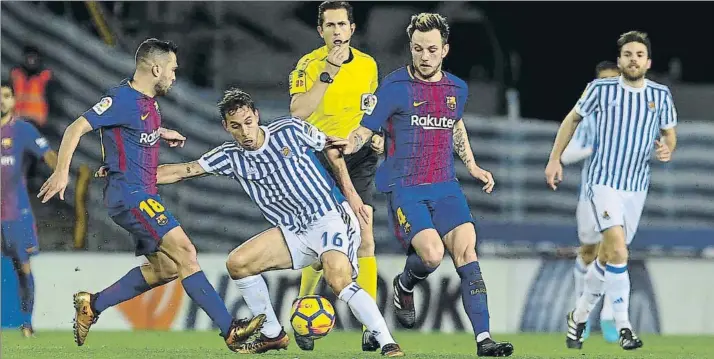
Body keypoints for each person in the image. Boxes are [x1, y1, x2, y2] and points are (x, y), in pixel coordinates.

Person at [36, 38, 265, 351]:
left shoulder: (149, 103)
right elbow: (76, 127)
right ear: (156, 68)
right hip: (130, 196)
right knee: (186, 252)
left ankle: (93, 304)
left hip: (139, 194)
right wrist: (62, 171)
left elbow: (126, 133)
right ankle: (231, 330)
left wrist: (160, 133)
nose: (174, 75)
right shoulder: (121, 98)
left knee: (167, 268)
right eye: (172, 69)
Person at [141, 88, 404, 356]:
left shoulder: (289, 130)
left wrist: (351, 194)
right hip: (294, 231)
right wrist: (131, 176)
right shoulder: (230, 155)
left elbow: (332, 149)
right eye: (235, 127)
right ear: (225, 127)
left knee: (338, 279)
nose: (244, 133)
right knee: (238, 263)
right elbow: (184, 170)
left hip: (329, 218)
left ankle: (386, 341)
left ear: (256, 116)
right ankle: (272, 334)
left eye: (248, 123)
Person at [342, 13, 514, 357]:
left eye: (431, 49)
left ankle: (484, 341)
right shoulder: (393, 87)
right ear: (411, 47)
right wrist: (349, 144)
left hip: (446, 186)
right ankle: (405, 284)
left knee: (467, 252)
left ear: (444, 50)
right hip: (406, 187)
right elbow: (366, 129)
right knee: (433, 256)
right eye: (418, 48)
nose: (424, 56)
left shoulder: (457, 89)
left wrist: (473, 165)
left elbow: (454, 125)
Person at [544, 31, 677, 351]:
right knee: (617, 250)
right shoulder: (600, 89)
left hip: (636, 188)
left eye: (639, 54)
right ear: (620, 61)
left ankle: (577, 317)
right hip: (602, 183)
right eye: (627, 54)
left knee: (608, 257)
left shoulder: (660, 95)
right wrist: (554, 159)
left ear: (648, 62)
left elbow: (669, 135)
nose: (633, 59)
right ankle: (623, 325)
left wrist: (666, 150)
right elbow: (571, 120)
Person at [288, 1, 382, 351]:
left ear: (352, 29)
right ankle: (303, 311)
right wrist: (329, 71)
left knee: (365, 230)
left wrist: (372, 136)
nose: (337, 31)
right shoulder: (308, 65)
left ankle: (371, 327)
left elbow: (370, 111)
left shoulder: (369, 65)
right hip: (317, 158)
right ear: (320, 31)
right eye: (330, 25)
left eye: (342, 24)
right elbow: (298, 112)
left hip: (356, 155)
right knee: (319, 243)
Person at [560, 60, 620, 344]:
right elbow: (565, 155)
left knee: (614, 250)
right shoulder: (587, 119)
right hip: (589, 196)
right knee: (587, 252)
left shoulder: (629, 120)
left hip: (620, 194)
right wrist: (591, 149)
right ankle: (579, 313)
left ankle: (609, 316)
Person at [0, 81, 58, 337]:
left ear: (13, 100)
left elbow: (48, 155)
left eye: (6, 96)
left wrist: (61, 173)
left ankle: (26, 323)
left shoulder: (22, 130)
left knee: (23, 268)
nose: (2, 101)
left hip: (15, 213)